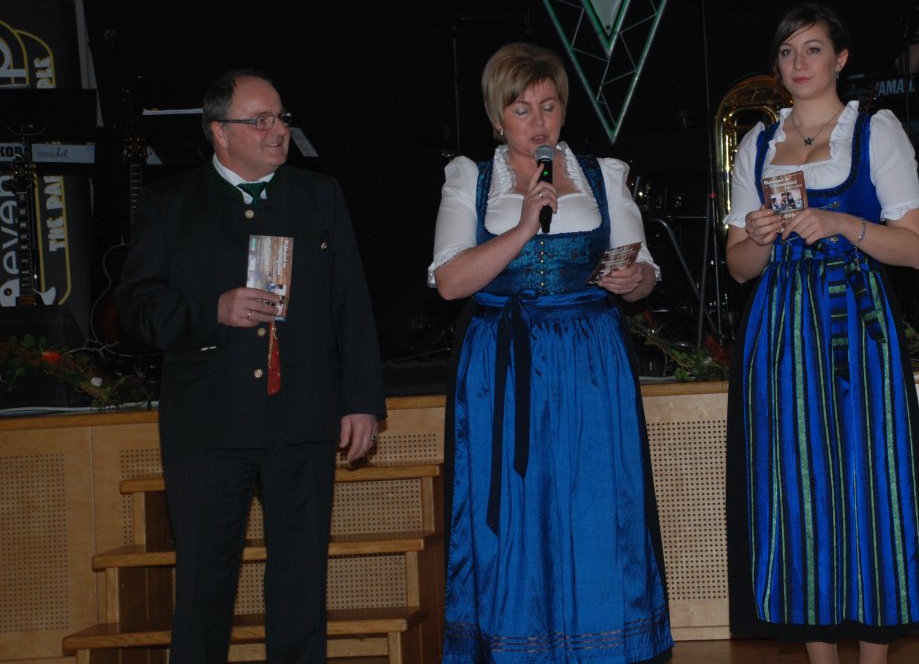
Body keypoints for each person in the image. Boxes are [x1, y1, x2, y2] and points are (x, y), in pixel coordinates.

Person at [115, 70, 386, 663]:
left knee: (300, 582)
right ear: (219, 132)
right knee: (203, 586)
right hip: (208, 423)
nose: (277, 130)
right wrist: (211, 311)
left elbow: (351, 304)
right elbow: (135, 307)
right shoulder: (171, 203)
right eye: (260, 120)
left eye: (281, 117)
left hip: (303, 415)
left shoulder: (319, 196)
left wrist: (362, 401)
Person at [428, 42, 673, 663]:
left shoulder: (601, 174)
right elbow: (451, 282)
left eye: (549, 106)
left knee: (595, 506)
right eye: (522, 110)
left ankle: (602, 645)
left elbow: (644, 274)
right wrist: (521, 226)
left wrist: (632, 279)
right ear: (497, 118)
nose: (538, 122)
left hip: (590, 359)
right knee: (515, 512)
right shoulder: (470, 179)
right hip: (502, 365)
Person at [724, 4, 919, 664]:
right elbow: (739, 268)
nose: (799, 63)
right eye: (787, 51)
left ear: (841, 58)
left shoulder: (876, 131)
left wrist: (843, 224)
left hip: (857, 325)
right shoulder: (756, 144)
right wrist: (759, 236)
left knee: (870, 477)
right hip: (781, 331)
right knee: (798, 486)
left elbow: (914, 250)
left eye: (813, 49)